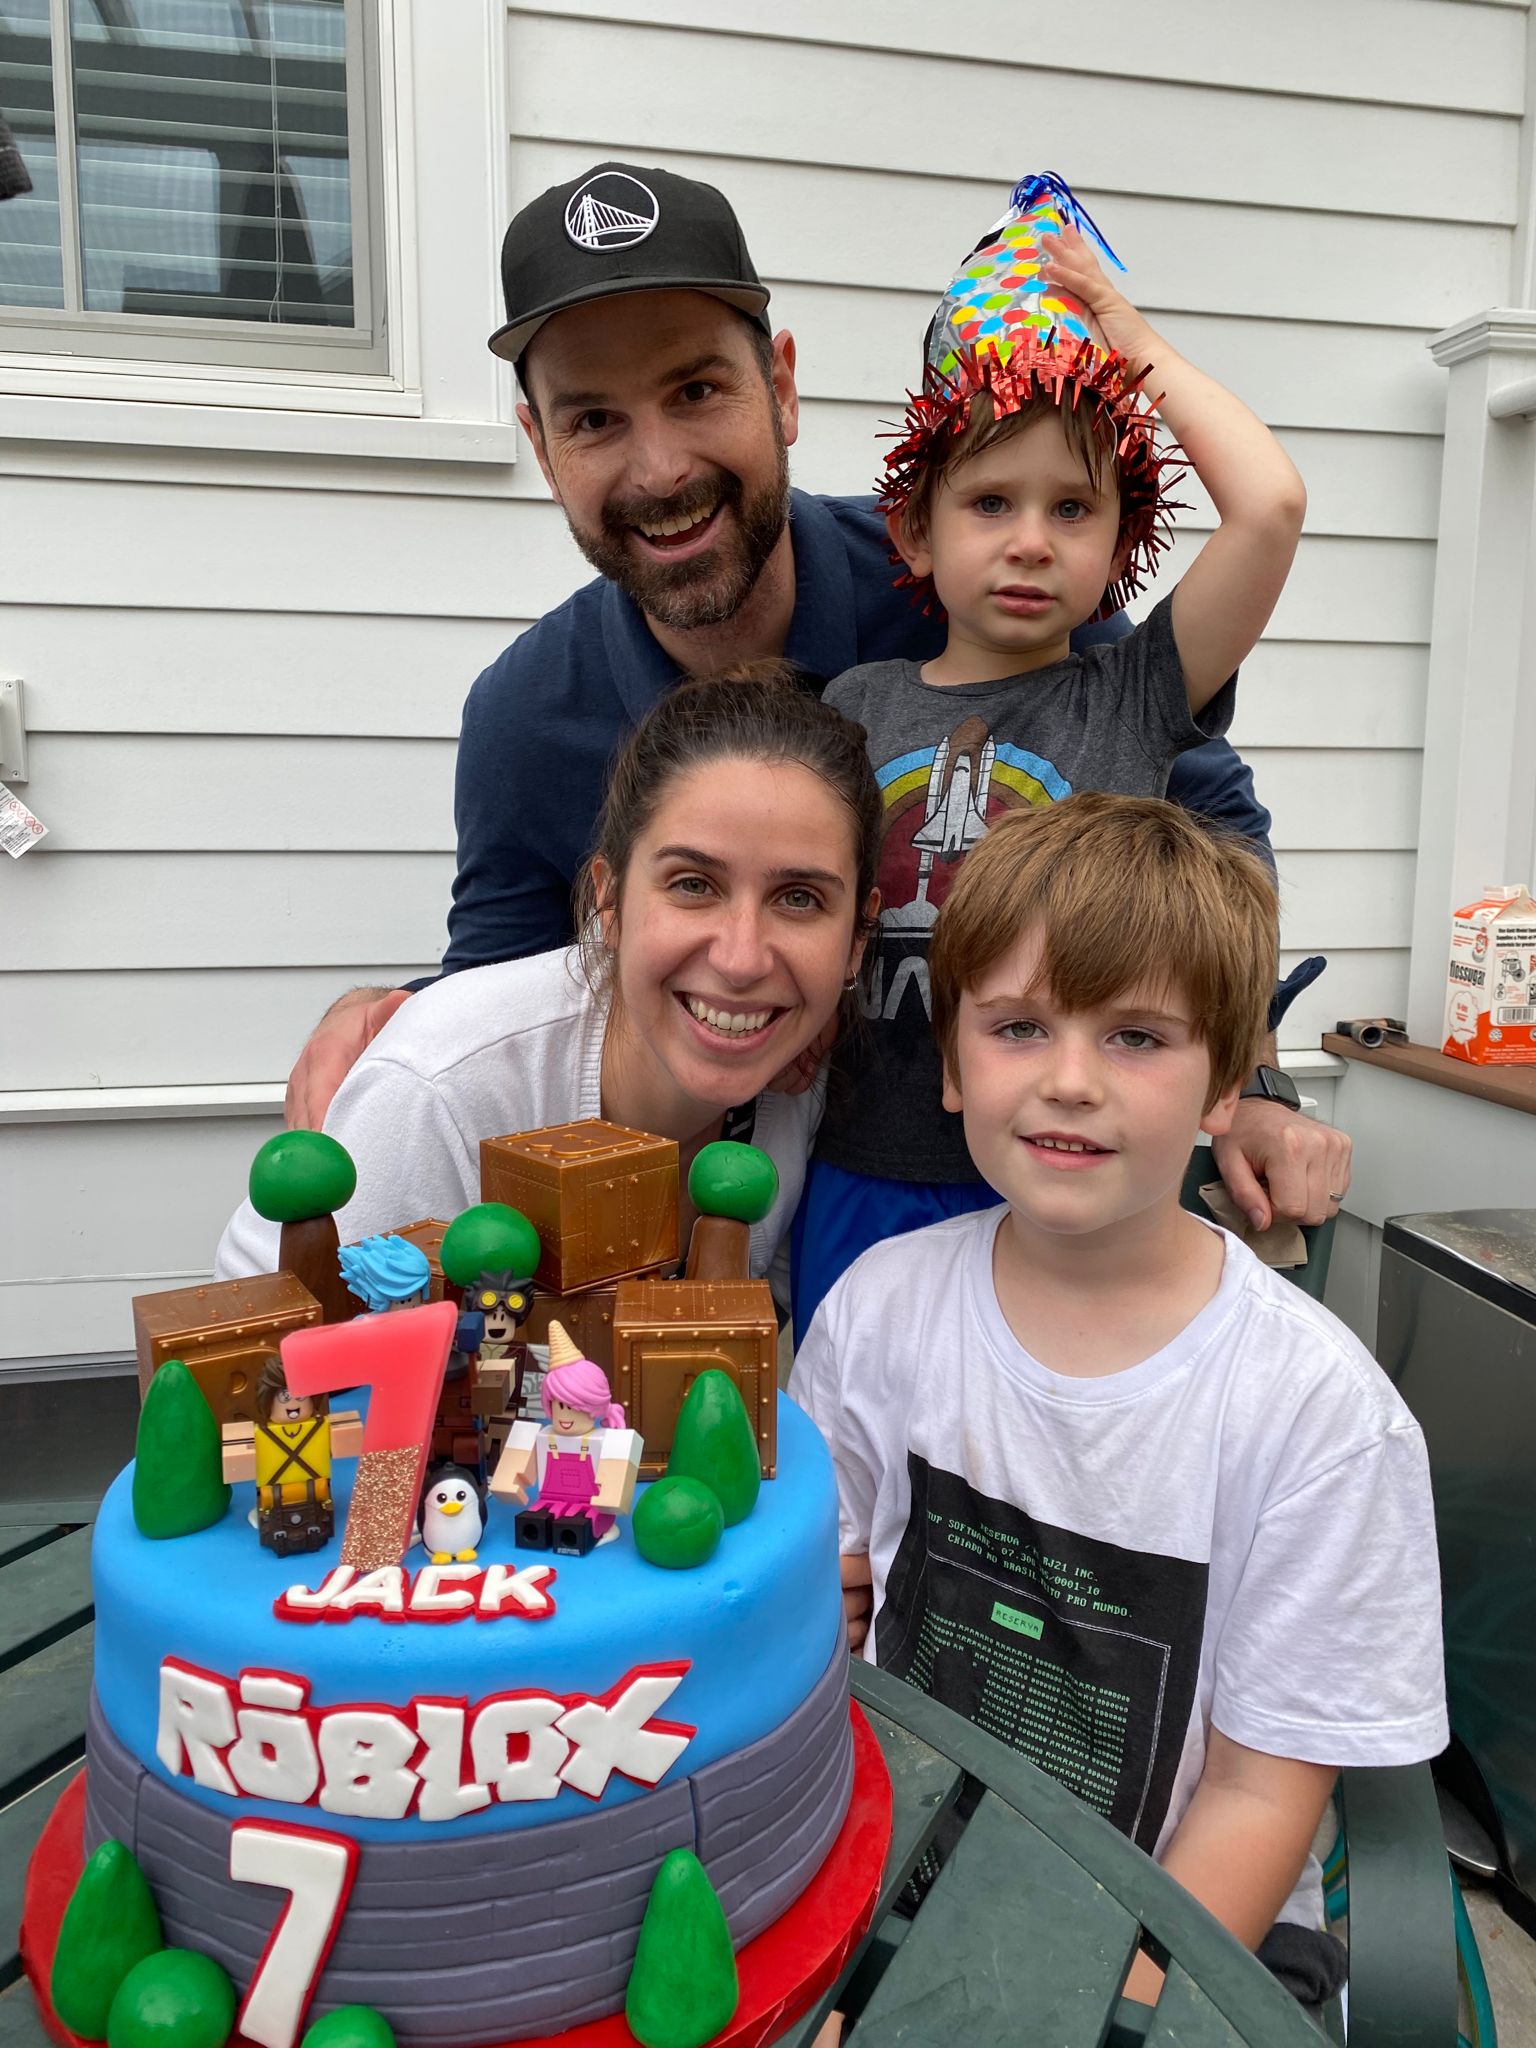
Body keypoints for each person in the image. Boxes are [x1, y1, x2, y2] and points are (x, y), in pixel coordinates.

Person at [281, 160, 1347, 1241]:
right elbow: (518, 994)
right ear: (543, 451)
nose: (659, 467)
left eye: (697, 390)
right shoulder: (523, 712)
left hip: (1056, 1188)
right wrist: (400, 1014)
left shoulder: (999, 593)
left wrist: (1253, 1084)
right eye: (594, 418)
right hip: (791, 1207)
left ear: (782, 388)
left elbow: (1207, 843)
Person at [790, 794, 1445, 2014]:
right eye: (1021, 1025)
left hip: (1184, 1943)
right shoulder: (880, 1309)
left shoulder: (1318, 1416)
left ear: (1223, 1086)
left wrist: (1086, 2003)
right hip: (895, 1884)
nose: (1072, 1080)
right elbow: (834, 1617)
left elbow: (1259, 1793)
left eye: (1138, 1037)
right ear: (953, 1063)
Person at [797, 172, 1310, 1334]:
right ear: (915, 530)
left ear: (1122, 535)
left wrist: (1125, 340)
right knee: (858, 1454)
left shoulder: (1137, 691)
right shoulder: (854, 702)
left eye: (1073, 509)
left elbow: (1270, 506)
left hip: (1067, 1180)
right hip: (862, 1166)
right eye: (990, 503)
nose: (1030, 540)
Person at [216, 666, 880, 1289]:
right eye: (693, 884)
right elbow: (304, 1370)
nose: (742, 960)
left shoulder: (802, 1083)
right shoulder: (441, 1094)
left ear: (857, 938)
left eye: (799, 898)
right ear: (610, 903)